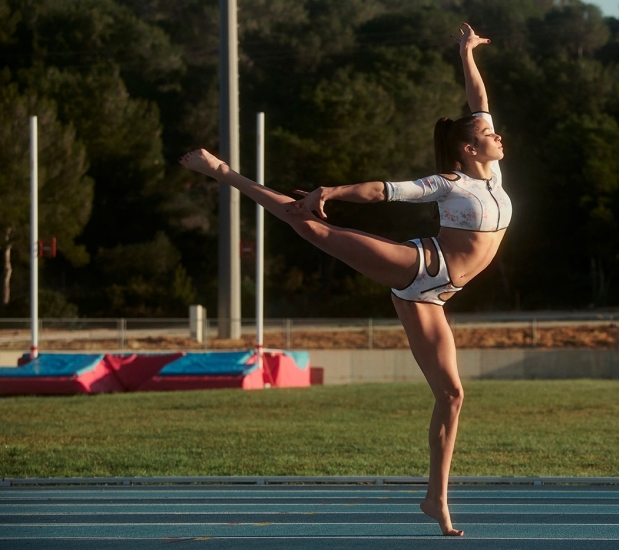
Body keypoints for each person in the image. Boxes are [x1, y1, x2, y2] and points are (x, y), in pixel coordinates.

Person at [180, 23, 509, 537]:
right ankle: (222, 171)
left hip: (436, 298)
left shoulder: (493, 174)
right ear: (468, 151)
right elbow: (383, 192)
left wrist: (466, 52)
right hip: (421, 267)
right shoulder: (449, 183)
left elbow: (478, 97)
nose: (497, 136)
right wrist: (333, 188)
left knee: (452, 396)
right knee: (314, 227)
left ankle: (435, 500)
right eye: (488, 136)